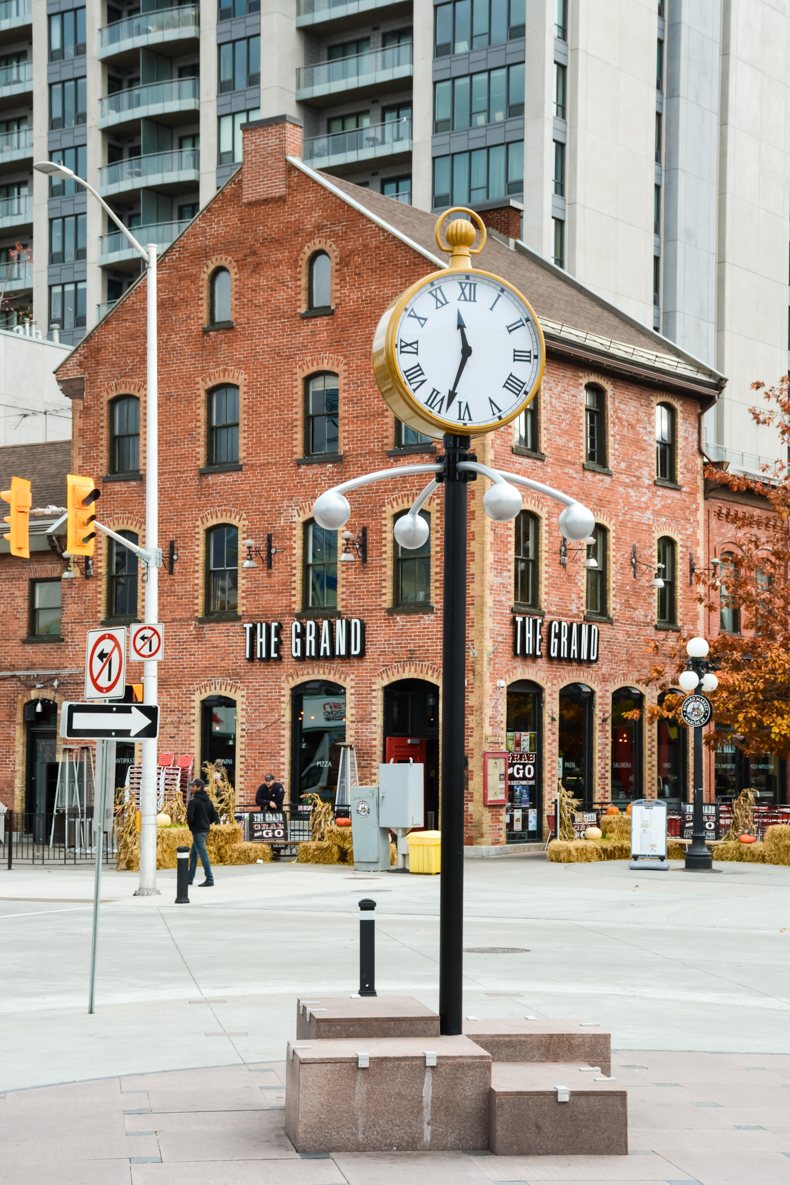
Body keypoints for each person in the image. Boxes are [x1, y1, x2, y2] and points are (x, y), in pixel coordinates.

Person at [187, 777, 219, 886]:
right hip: (205, 829)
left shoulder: (193, 801)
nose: (191, 788)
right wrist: (207, 823)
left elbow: (189, 817)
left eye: (194, 786)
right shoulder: (208, 800)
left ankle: (209, 878)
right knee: (193, 854)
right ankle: (189, 878)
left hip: (197, 830)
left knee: (203, 854)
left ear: (199, 787)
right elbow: (214, 815)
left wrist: (192, 826)